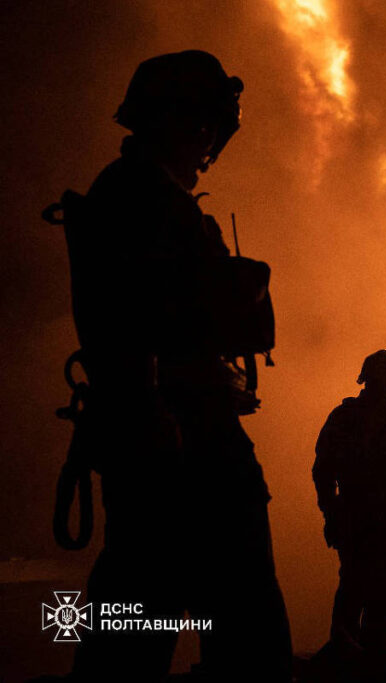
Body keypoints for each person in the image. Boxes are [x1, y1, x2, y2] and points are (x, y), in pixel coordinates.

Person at [65, 51, 291, 682]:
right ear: (186, 121)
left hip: (169, 428)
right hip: (185, 434)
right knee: (237, 616)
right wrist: (150, 414)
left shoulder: (139, 193)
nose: (211, 145)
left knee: (141, 610)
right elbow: (129, 317)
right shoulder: (145, 199)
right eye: (209, 128)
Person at [312, 350, 386, 649]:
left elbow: (323, 472)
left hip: (363, 518)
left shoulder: (348, 417)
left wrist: (332, 514)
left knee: (358, 589)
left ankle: (352, 657)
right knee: (374, 594)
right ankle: (366, 658)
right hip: (376, 520)